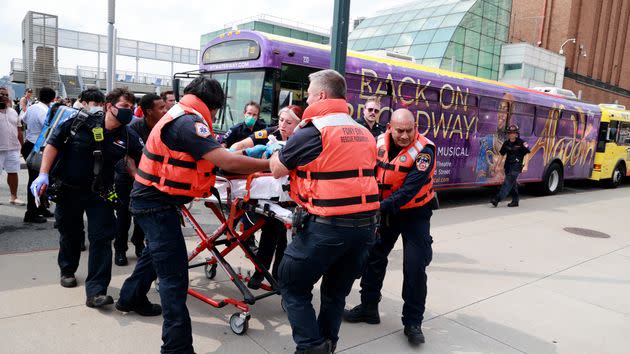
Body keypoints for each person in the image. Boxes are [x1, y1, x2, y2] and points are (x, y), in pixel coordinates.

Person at [116, 77, 270, 354]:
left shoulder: (181, 115)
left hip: (154, 201)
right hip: (156, 205)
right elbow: (226, 160)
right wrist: (272, 164)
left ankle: (130, 297)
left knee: (155, 256)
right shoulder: (189, 122)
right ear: (213, 106)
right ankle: (176, 348)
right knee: (174, 279)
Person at [268, 69, 379, 354]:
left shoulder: (313, 130)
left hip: (327, 225)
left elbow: (278, 168)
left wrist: (275, 154)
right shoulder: (364, 132)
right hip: (365, 227)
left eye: (308, 95)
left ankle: (310, 348)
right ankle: (328, 344)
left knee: (291, 283)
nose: (306, 100)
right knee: (335, 293)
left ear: (321, 95)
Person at [31, 87, 143, 309]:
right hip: (68, 189)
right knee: (70, 232)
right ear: (109, 106)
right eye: (124, 107)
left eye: (131, 107)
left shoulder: (128, 135)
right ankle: (67, 269)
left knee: (101, 238)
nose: (128, 112)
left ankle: (96, 291)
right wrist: (43, 173)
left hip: (100, 193)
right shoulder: (79, 121)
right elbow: (53, 144)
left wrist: (145, 182)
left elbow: (134, 162)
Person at [343, 108, 436, 346]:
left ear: (415, 127)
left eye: (409, 130)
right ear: (389, 128)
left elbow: (408, 191)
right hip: (385, 211)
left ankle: (413, 322)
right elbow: (364, 171)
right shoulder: (377, 143)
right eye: (400, 131)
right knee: (373, 257)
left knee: (414, 266)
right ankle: (368, 308)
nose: (405, 136)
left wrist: (375, 207)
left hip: (414, 213)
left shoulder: (424, 151)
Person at [231, 105, 304, 290]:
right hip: (269, 193)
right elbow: (238, 148)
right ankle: (263, 272)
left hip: (293, 196)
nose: (283, 125)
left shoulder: (304, 139)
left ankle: (273, 275)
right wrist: (242, 153)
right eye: (281, 120)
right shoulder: (271, 135)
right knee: (272, 230)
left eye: (289, 122)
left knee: (281, 236)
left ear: (299, 124)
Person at [113, 93, 166, 266]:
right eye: (161, 108)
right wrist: (138, 176)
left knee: (143, 214)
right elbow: (127, 157)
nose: (165, 111)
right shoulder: (133, 128)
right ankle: (120, 249)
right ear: (149, 111)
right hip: (127, 178)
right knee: (124, 215)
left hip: (150, 179)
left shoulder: (165, 127)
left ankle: (138, 242)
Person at [21, 86, 56, 222]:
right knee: (37, 180)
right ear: (52, 98)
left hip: (29, 144)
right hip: (38, 148)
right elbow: (49, 128)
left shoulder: (32, 107)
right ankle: (31, 213)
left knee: (39, 179)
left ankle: (40, 208)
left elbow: (23, 120)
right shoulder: (45, 111)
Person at [491, 124, 530, 207]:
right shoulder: (506, 143)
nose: (511, 134)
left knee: (508, 182)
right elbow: (501, 155)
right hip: (508, 166)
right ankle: (515, 201)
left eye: (513, 133)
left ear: (516, 134)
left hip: (516, 166)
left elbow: (527, 154)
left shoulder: (522, 143)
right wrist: (497, 165)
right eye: (509, 133)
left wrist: (526, 165)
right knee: (513, 183)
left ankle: (497, 199)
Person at [0, 86, 24, 205]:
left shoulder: (13, 112)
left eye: (6, 95)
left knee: (13, 172)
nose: (4, 97)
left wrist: (22, 146)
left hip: (13, 148)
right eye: (1, 94)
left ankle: (13, 197)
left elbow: (19, 130)